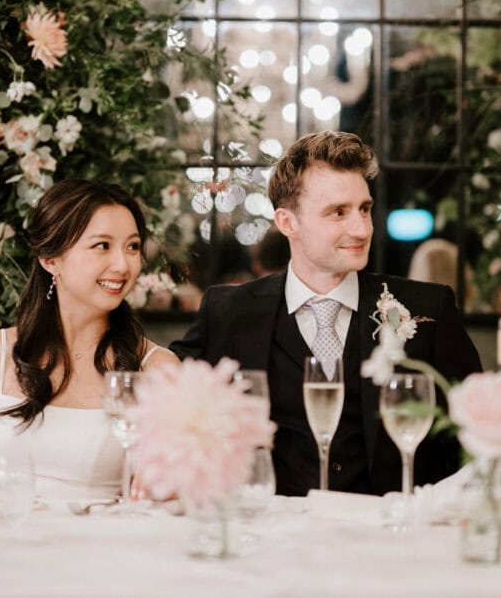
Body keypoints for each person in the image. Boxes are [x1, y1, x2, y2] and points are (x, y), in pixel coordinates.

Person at [170, 131, 482, 496]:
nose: (361, 228)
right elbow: (168, 393)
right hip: (271, 538)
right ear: (288, 223)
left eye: (364, 209)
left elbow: (485, 427)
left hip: (392, 537)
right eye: (338, 212)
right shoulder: (228, 311)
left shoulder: (429, 309)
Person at [0, 179, 179, 499]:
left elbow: (164, 500)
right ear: (50, 259)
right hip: (3, 539)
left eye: (132, 246)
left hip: (108, 543)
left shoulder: (158, 370)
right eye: (102, 245)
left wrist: (166, 486)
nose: (122, 264)